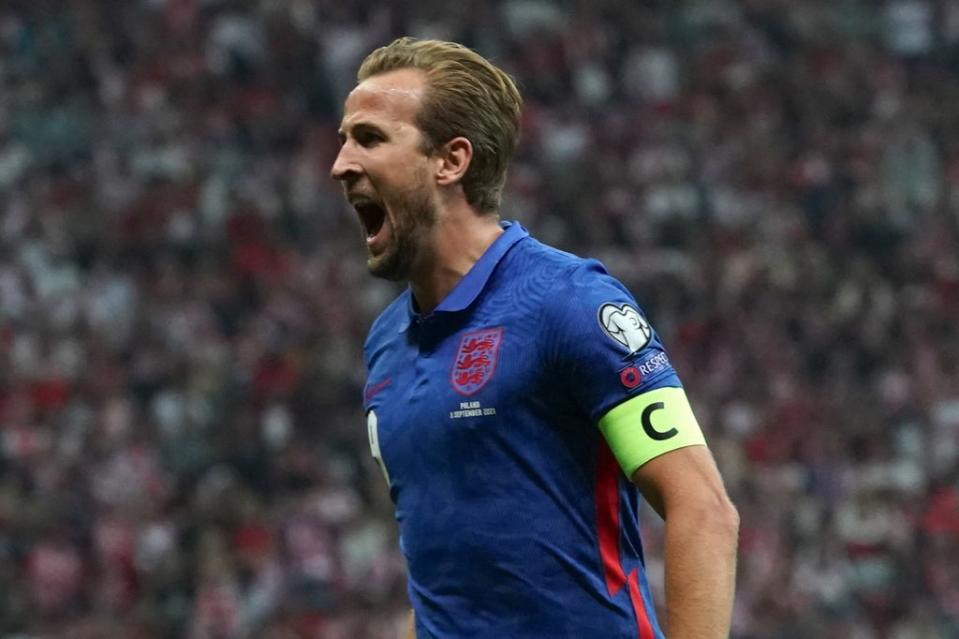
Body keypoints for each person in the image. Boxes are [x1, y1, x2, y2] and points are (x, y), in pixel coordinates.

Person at [330, 37, 739, 639]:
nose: (340, 163)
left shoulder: (569, 302)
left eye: (368, 138)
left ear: (451, 161)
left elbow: (703, 509)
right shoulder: (385, 344)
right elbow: (446, 577)